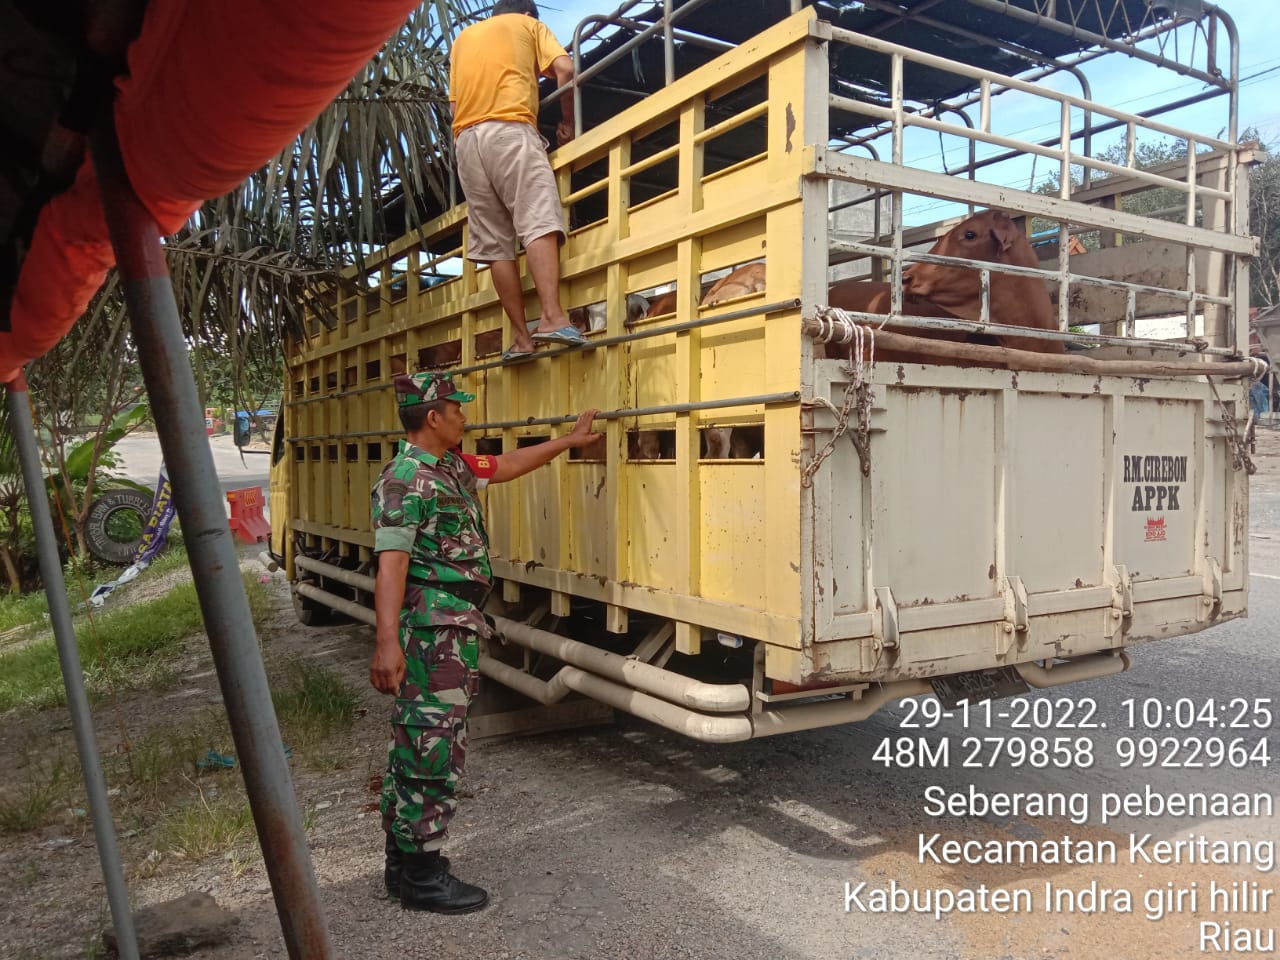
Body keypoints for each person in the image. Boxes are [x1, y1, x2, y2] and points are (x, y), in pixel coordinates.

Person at [369, 372, 601, 913]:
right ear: (433, 417)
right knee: (433, 746)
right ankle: (424, 876)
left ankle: (403, 865)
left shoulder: (449, 466)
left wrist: (568, 440)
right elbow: (392, 565)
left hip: (450, 626)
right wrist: (387, 643)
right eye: (457, 409)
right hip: (432, 633)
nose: (465, 417)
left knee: (418, 742)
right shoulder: (407, 480)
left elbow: (506, 466)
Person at [448, 0, 587, 362]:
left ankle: (522, 340)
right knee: (539, 218)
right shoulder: (528, 26)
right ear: (527, 13)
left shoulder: (463, 39)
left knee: (496, 244)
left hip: (466, 142)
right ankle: (553, 317)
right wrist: (568, 122)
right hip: (510, 129)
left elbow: (453, 107)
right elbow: (566, 69)